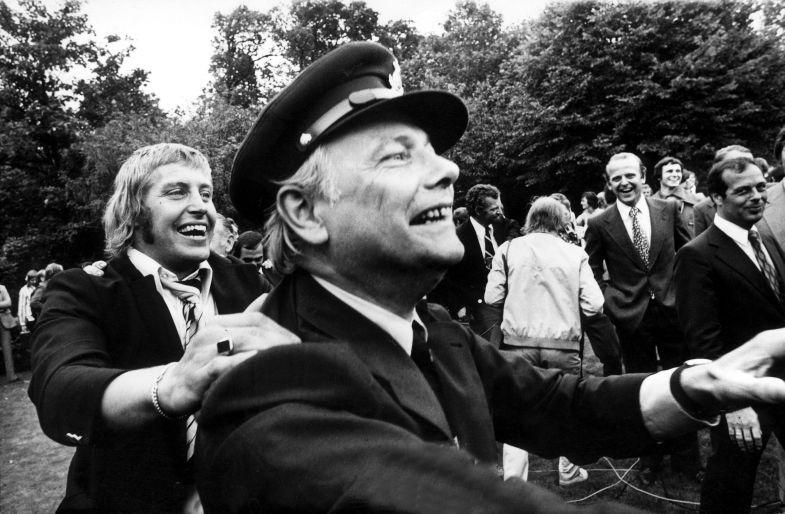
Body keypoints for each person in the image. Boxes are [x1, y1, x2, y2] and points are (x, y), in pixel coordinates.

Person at [194, 41, 785, 513]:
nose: (449, 168)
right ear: (306, 212)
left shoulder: (436, 333)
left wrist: (693, 385)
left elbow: (562, 405)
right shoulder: (265, 370)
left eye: (434, 151)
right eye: (399, 155)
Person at [28, 143, 298, 512]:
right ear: (133, 211)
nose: (201, 205)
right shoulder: (83, 290)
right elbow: (60, 388)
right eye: (176, 191)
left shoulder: (249, 284)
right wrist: (173, 384)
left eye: (206, 194)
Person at [674, 156, 785, 512]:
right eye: (743, 191)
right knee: (730, 487)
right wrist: (734, 405)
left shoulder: (764, 234)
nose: (756, 196)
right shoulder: (697, 255)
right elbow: (701, 341)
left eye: (760, 187)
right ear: (716, 198)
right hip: (740, 391)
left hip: (781, 380)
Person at [584, 152, 698, 482]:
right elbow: (589, 268)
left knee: (683, 382)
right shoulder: (599, 223)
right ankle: (650, 460)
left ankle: (687, 460)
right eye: (616, 178)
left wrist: (684, 291)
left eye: (629, 175)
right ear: (608, 183)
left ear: (642, 176)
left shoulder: (668, 209)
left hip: (671, 309)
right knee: (642, 388)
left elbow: (688, 252)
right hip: (631, 316)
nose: (624, 183)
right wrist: (610, 299)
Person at [485, 196, 606, 486]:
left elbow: (492, 297)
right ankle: (569, 470)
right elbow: (595, 304)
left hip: (517, 343)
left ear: (531, 220)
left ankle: (515, 483)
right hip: (563, 344)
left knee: (517, 412)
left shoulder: (508, 249)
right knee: (566, 407)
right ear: (562, 222)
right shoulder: (574, 253)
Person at [429, 184, 504, 341]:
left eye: (500, 206)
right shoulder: (456, 237)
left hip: (506, 307)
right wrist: (460, 309)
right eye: (494, 208)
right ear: (478, 210)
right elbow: (445, 278)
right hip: (476, 311)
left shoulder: (503, 229)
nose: (500, 212)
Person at [693, 145, 754, 237]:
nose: (746, 169)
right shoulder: (702, 209)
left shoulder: (770, 198)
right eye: (736, 165)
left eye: (751, 163)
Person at [651, 156, 700, 237]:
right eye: (669, 171)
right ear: (659, 177)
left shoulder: (696, 201)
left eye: (678, 171)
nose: (675, 175)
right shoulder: (650, 203)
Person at [0, 283, 18, 382]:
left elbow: (8, 302)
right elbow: (4, 304)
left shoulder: (2, 288)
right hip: (3, 315)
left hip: (4, 321)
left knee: (7, 349)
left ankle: (11, 376)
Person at [17, 269, 37, 334]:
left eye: (35, 280)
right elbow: (21, 307)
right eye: (32, 280)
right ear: (28, 279)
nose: (34, 282)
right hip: (29, 318)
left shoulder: (34, 288)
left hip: (36, 316)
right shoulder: (23, 290)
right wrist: (22, 324)